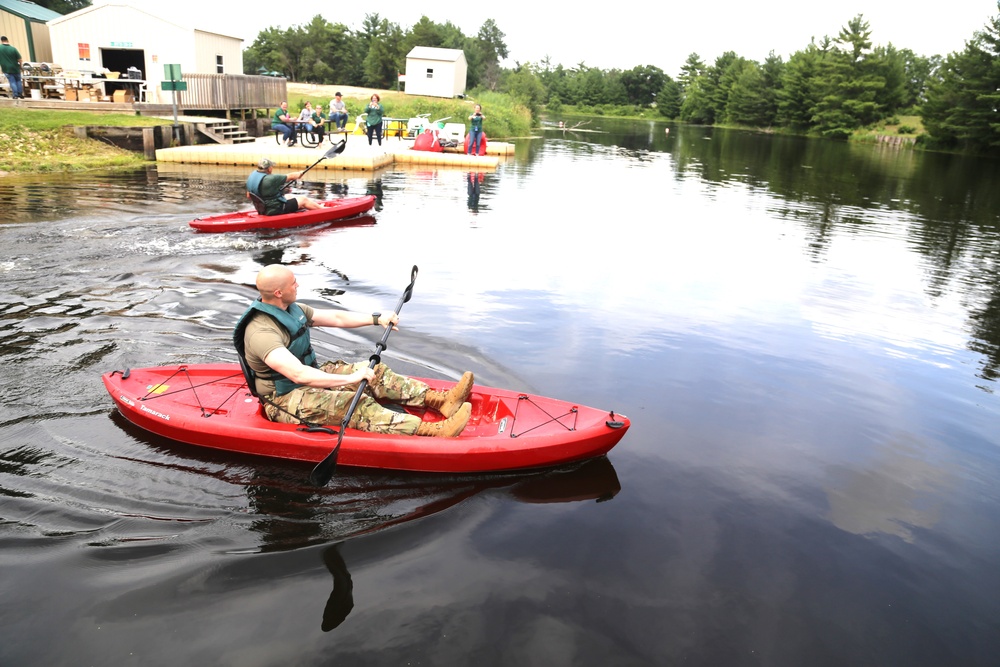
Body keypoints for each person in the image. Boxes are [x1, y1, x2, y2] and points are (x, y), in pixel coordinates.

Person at [234, 264, 474, 437]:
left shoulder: (291, 308)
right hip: (285, 399)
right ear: (278, 292)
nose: (298, 285)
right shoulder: (261, 333)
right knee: (354, 403)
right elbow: (298, 375)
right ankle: (432, 431)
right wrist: (350, 379)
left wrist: (376, 318)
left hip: (309, 378)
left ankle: (440, 401)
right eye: (293, 283)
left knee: (375, 372)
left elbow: (336, 317)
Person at [246, 158, 323, 215]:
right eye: (271, 167)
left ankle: (316, 206)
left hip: (262, 209)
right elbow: (292, 176)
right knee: (303, 200)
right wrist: (300, 173)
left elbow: (249, 196)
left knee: (288, 196)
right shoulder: (271, 178)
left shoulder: (252, 176)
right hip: (275, 210)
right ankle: (324, 210)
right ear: (269, 169)